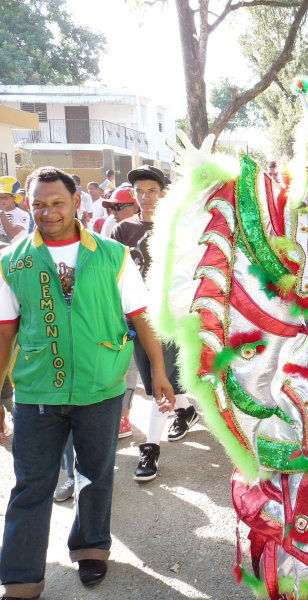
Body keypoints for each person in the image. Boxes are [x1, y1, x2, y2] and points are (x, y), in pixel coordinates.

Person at [0, 166, 175, 599]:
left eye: (57, 202)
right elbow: (5, 332)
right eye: (38, 203)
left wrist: (158, 371)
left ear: (76, 203)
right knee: (30, 483)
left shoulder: (113, 255)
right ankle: (21, 574)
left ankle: (91, 548)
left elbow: (141, 317)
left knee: (95, 474)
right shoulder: (12, 261)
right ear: (29, 205)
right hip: (38, 389)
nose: (48, 211)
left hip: (101, 385)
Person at [111, 165, 199, 482]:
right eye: (139, 191)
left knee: (162, 386)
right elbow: (112, 277)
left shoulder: (179, 228)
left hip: (170, 317)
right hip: (136, 318)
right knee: (153, 383)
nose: (145, 197)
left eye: (151, 190)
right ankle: (187, 409)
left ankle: (150, 450)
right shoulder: (122, 231)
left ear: (163, 193)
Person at [0, 177, 31, 248]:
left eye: (5, 197)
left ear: (14, 198)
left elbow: (12, 234)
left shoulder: (22, 215)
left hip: (16, 256)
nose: (1, 201)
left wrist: (1, 212)